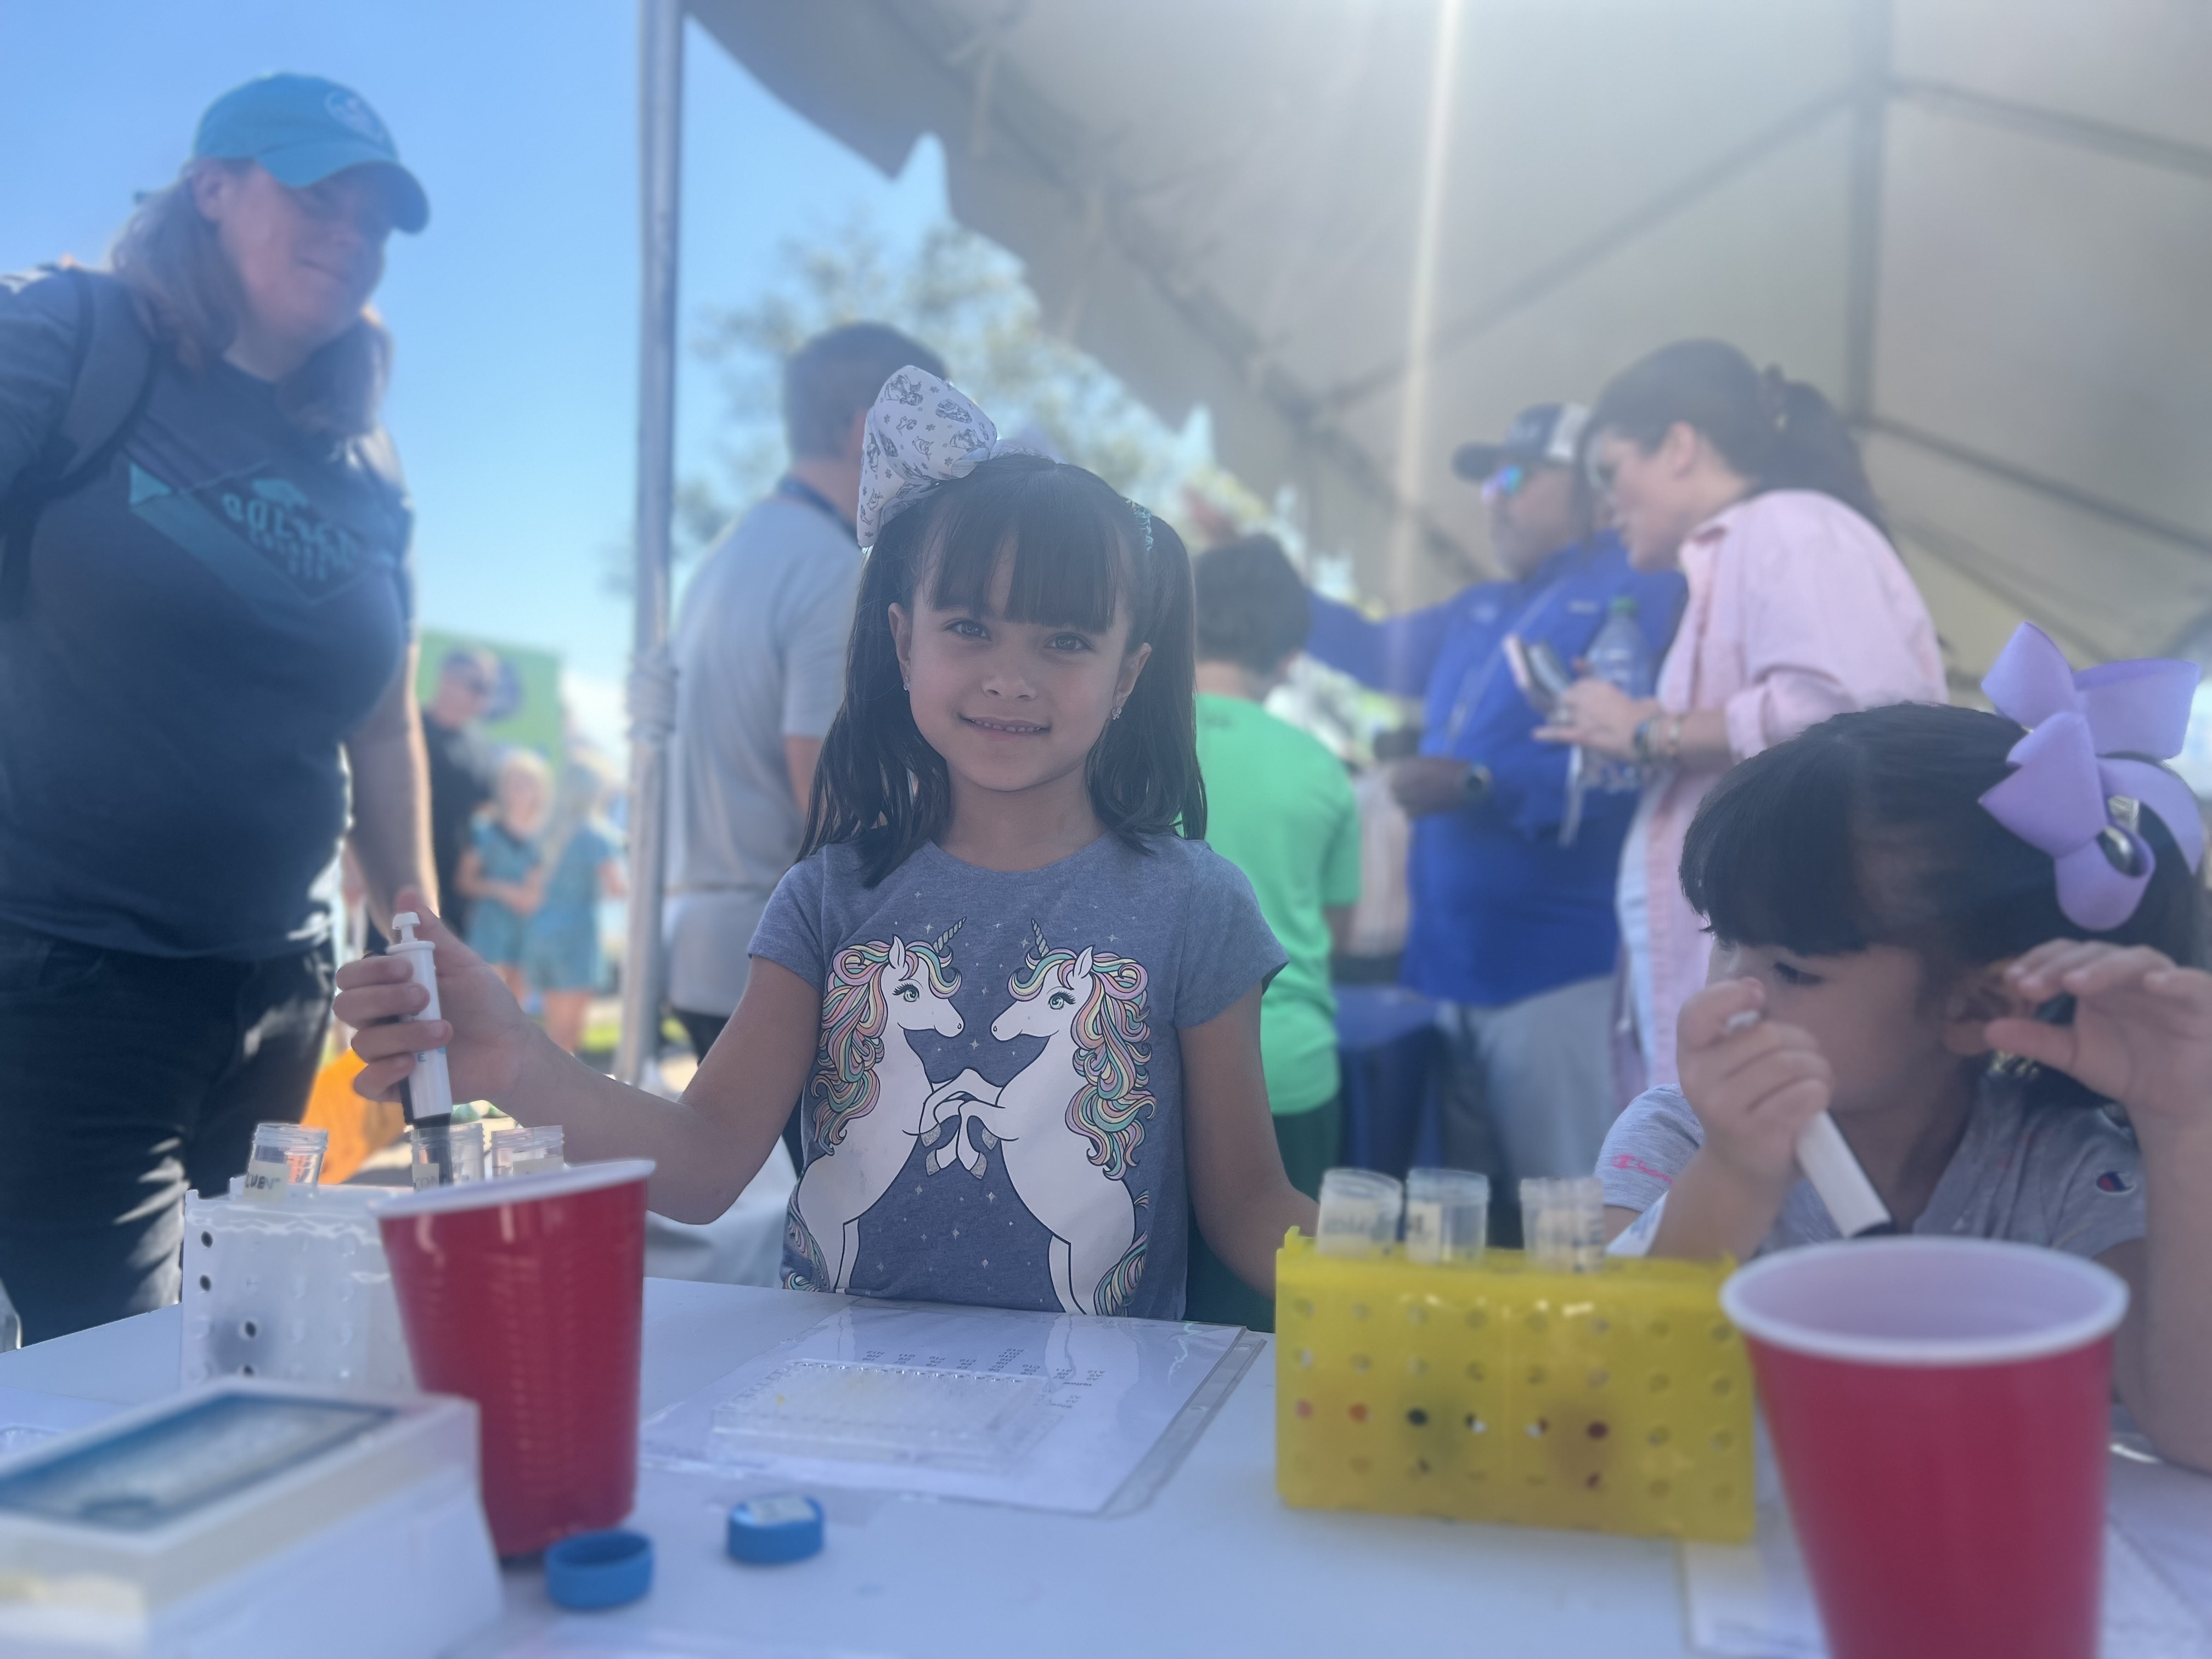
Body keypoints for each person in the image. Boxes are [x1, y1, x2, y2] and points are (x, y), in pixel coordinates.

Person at [338, 369, 1316, 1318]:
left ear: (1128, 674)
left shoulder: (1197, 906)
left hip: (1098, 1411)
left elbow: (1249, 1207)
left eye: (1064, 640)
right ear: (903, 642)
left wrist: (1387, 1268)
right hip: (837, 1399)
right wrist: (518, 1061)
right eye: (969, 627)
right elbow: (705, 1159)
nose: (1011, 677)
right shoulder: (825, 898)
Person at [0, 74, 433, 1341]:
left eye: (374, 218)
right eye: (317, 196)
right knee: (127, 1369)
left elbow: (382, 723)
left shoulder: (368, 463)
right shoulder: (70, 336)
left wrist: (415, 944)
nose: (350, 235)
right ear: (211, 188)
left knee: (246, 1342)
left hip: (281, 993)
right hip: (69, 980)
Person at [1599, 627, 2212, 1469]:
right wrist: (1735, 1175)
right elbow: (1600, 1387)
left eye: (1793, 969)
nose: (1729, 994)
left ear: (1978, 1003)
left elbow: (2196, 1429)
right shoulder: (1676, 1140)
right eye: (1724, 939)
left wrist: (2182, 1127)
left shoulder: (2070, 1175)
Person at [1539, 341, 1945, 1089]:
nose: (1603, 505)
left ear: (1679, 446)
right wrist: (1644, 731)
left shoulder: (1789, 526)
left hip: (1787, 1004)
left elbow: (1851, 710)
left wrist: (1648, 732)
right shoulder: (1740, 551)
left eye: (1609, 470)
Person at [1305, 404, 1683, 1203]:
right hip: (1443, 977)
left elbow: (1634, 761)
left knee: (1578, 1225)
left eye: (1514, 475)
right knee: (1461, 1235)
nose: (1493, 497)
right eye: (1486, 482)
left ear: (1592, 487)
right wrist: (1277, 594)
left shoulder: (1642, 587)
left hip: (1557, 973)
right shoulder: (1478, 608)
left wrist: (1480, 784)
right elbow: (1374, 651)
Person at [665, 323, 947, 1170]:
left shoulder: (726, 557)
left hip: (707, 948)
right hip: (785, 966)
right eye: (932, 433)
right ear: (866, 432)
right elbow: (830, 797)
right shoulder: (830, 569)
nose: (947, 467)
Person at [1184, 534, 1361, 1328]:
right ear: (1289, 658)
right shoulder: (1322, 768)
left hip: (1144, 1070)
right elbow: (1336, 932)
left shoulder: (1116, 744)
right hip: (1288, 1071)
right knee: (1273, 1334)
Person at [526, 757, 625, 1054]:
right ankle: (557, 1083)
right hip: (578, 936)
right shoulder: (596, 835)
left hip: (541, 934)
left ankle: (546, 1080)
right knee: (570, 1032)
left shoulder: (545, 832)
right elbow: (616, 888)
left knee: (553, 1027)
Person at [419, 645, 500, 940]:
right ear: (447, 678)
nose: (484, 697)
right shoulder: (406, 730)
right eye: (477, 686)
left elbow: (485, 816)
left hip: (454, 890)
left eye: (490, 689)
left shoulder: (480, 747)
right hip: (397, 874)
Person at [457, 749, 549, 1001]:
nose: (520, 790)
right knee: (489, 999)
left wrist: (534, 895)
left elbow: (544, 881)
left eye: (527, 783)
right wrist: (504, 891)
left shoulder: (544, 837)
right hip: (491, 929)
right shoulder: (484, 831)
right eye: (513, 782)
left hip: (529, 929)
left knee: (518, 1006)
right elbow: (465, 882)